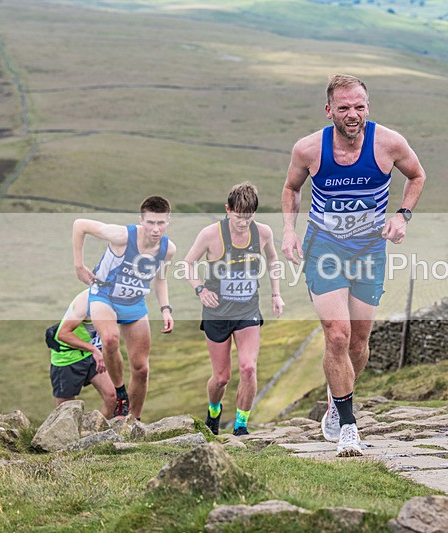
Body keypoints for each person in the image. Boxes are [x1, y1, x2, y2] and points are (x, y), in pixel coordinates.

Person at [281, 74, 426, 456]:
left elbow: (416, 175)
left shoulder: (389, 143)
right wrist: (288, 231)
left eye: (359, 106)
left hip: (369, 250)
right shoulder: (309, 149)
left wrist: (402, 216)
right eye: (343, 107)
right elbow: (291, 187)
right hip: (325, 247)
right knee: (337, 335)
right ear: (329, 110)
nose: (352, 114)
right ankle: (348, 425)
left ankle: (337, 396)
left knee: (359, 342)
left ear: (368, 107)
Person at [183, 182, 285, 436]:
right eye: (239, 216)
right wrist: (200, 290)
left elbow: (273, 259)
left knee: (249, 368)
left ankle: (241, 425)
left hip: (247, 310)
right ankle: (214, 411)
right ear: (228, 209)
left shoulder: (262, 233)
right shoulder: (210, 234)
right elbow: (188, 263)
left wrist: (276, 294)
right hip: (217, 313)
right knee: (221, 378)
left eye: (248, 217)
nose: (243, 222)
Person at [72, 196, 176, 420]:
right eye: (150, 222)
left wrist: (166, 309)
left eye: (160, 223)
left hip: (134, 302)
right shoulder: (122, 236)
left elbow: (160, 279)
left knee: (141, 369)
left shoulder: (168, 249)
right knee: (110, 339)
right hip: (104, 296)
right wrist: (79, 265)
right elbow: (80, 225)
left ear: (168, 221)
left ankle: (134, 421)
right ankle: (120, 394)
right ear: (141, 220)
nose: (155, 229)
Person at [47, 290, 116, 419]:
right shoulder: (85, 302)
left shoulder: (117, 300)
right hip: (67, 359)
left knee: (112, 397)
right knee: (66, 411)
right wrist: (94, 350)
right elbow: (62, 334)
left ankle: (99, 429)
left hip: (91, 355)